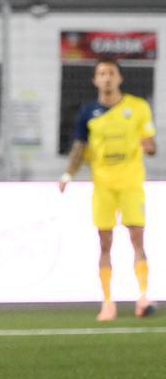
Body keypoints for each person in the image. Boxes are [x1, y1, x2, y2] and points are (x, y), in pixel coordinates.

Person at [59, 58, 157, 320]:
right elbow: (80, 147)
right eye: (101, 74)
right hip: (102, 186)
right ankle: (108, 302)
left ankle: (144, 296)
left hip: (130, 183)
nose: (106, 78)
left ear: (119, 78)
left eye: (110, 73)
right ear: (95, 80)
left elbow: (150, 140)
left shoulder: (137, 107)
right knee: (105, 243)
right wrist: (68, 173)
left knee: (137, 238)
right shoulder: (88, 112)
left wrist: (150, 147)